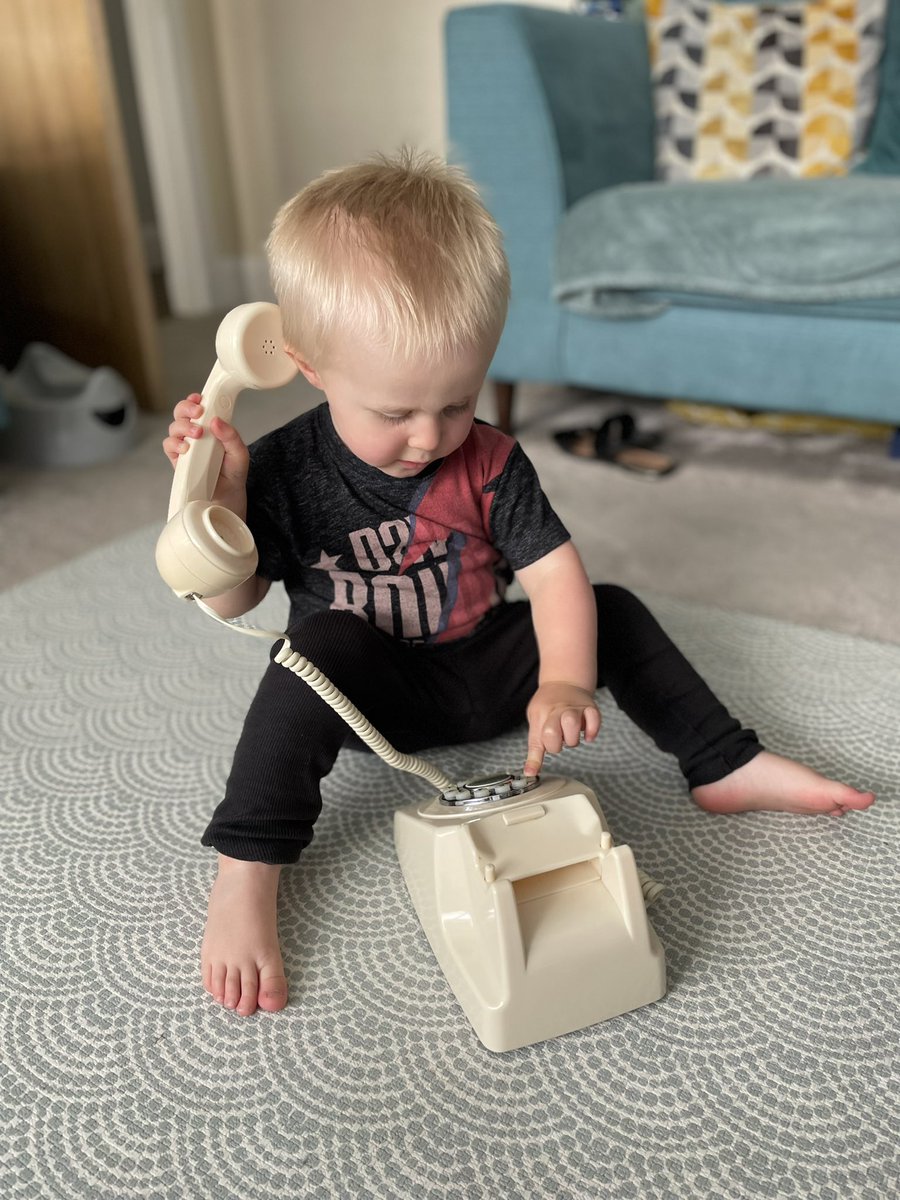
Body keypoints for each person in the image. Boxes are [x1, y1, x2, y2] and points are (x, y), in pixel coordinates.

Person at [163, 151, 874, 1019]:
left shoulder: (492, 460)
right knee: (308, 649)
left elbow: (554, 577)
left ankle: (723, 762)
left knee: (608, 607)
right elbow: (232, 603)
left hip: (491, 669)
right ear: (308, 365)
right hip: (368, 696)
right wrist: (218, 498)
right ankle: (246, 876)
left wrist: (566, 679)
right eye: (395, 412)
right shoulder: (280, 470)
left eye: (456, 402)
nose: (429, 436)